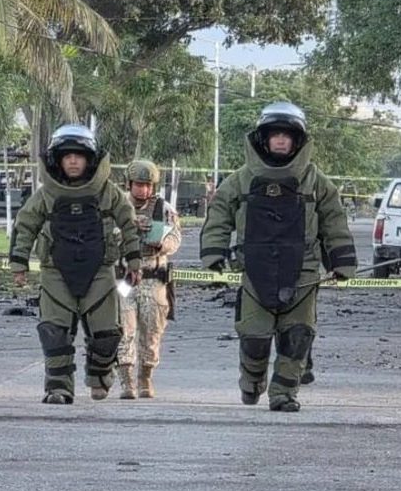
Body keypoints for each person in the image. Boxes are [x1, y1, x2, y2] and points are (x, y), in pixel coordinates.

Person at [200, 102, 357, 412]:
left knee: (297, 337)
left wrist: (341, 263)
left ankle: (284, 394)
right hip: (254, 272)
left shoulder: (316, 182)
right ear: (264, 139)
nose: (281, 141)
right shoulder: (240, 180)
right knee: (255, 338)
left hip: (303, 272)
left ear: (298, 140)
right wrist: (214, 255)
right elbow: (218, 215)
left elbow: (334, 221)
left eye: (288, 135)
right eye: (275, 135)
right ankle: (251, 381)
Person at [9, 124, 143, 404]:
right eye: (67, 155)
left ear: (90, 159)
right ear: (57, 160)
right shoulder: (45, 194)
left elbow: (128, 224)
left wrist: (134, 261)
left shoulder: (108, 192)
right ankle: (58, 388)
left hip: (100, 272)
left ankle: (100, 377)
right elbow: (25, 226)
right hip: (55, 272)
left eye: (79, 155)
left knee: (106, 335)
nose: (72, 160)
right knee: (54, 334)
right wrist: (18, 264)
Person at [117, 160, 183, 399]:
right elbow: (105, 236)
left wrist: (161, 243)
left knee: (152, 330)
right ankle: (126, 380)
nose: (143, 190)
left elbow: (175, 237)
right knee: (124, 328)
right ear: (129, 184)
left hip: (154, 278)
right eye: (139, 185)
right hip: (125, 279)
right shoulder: (119, 206)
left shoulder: (163, 209)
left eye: (148, 185)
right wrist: (128, 230)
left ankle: (145, 376)